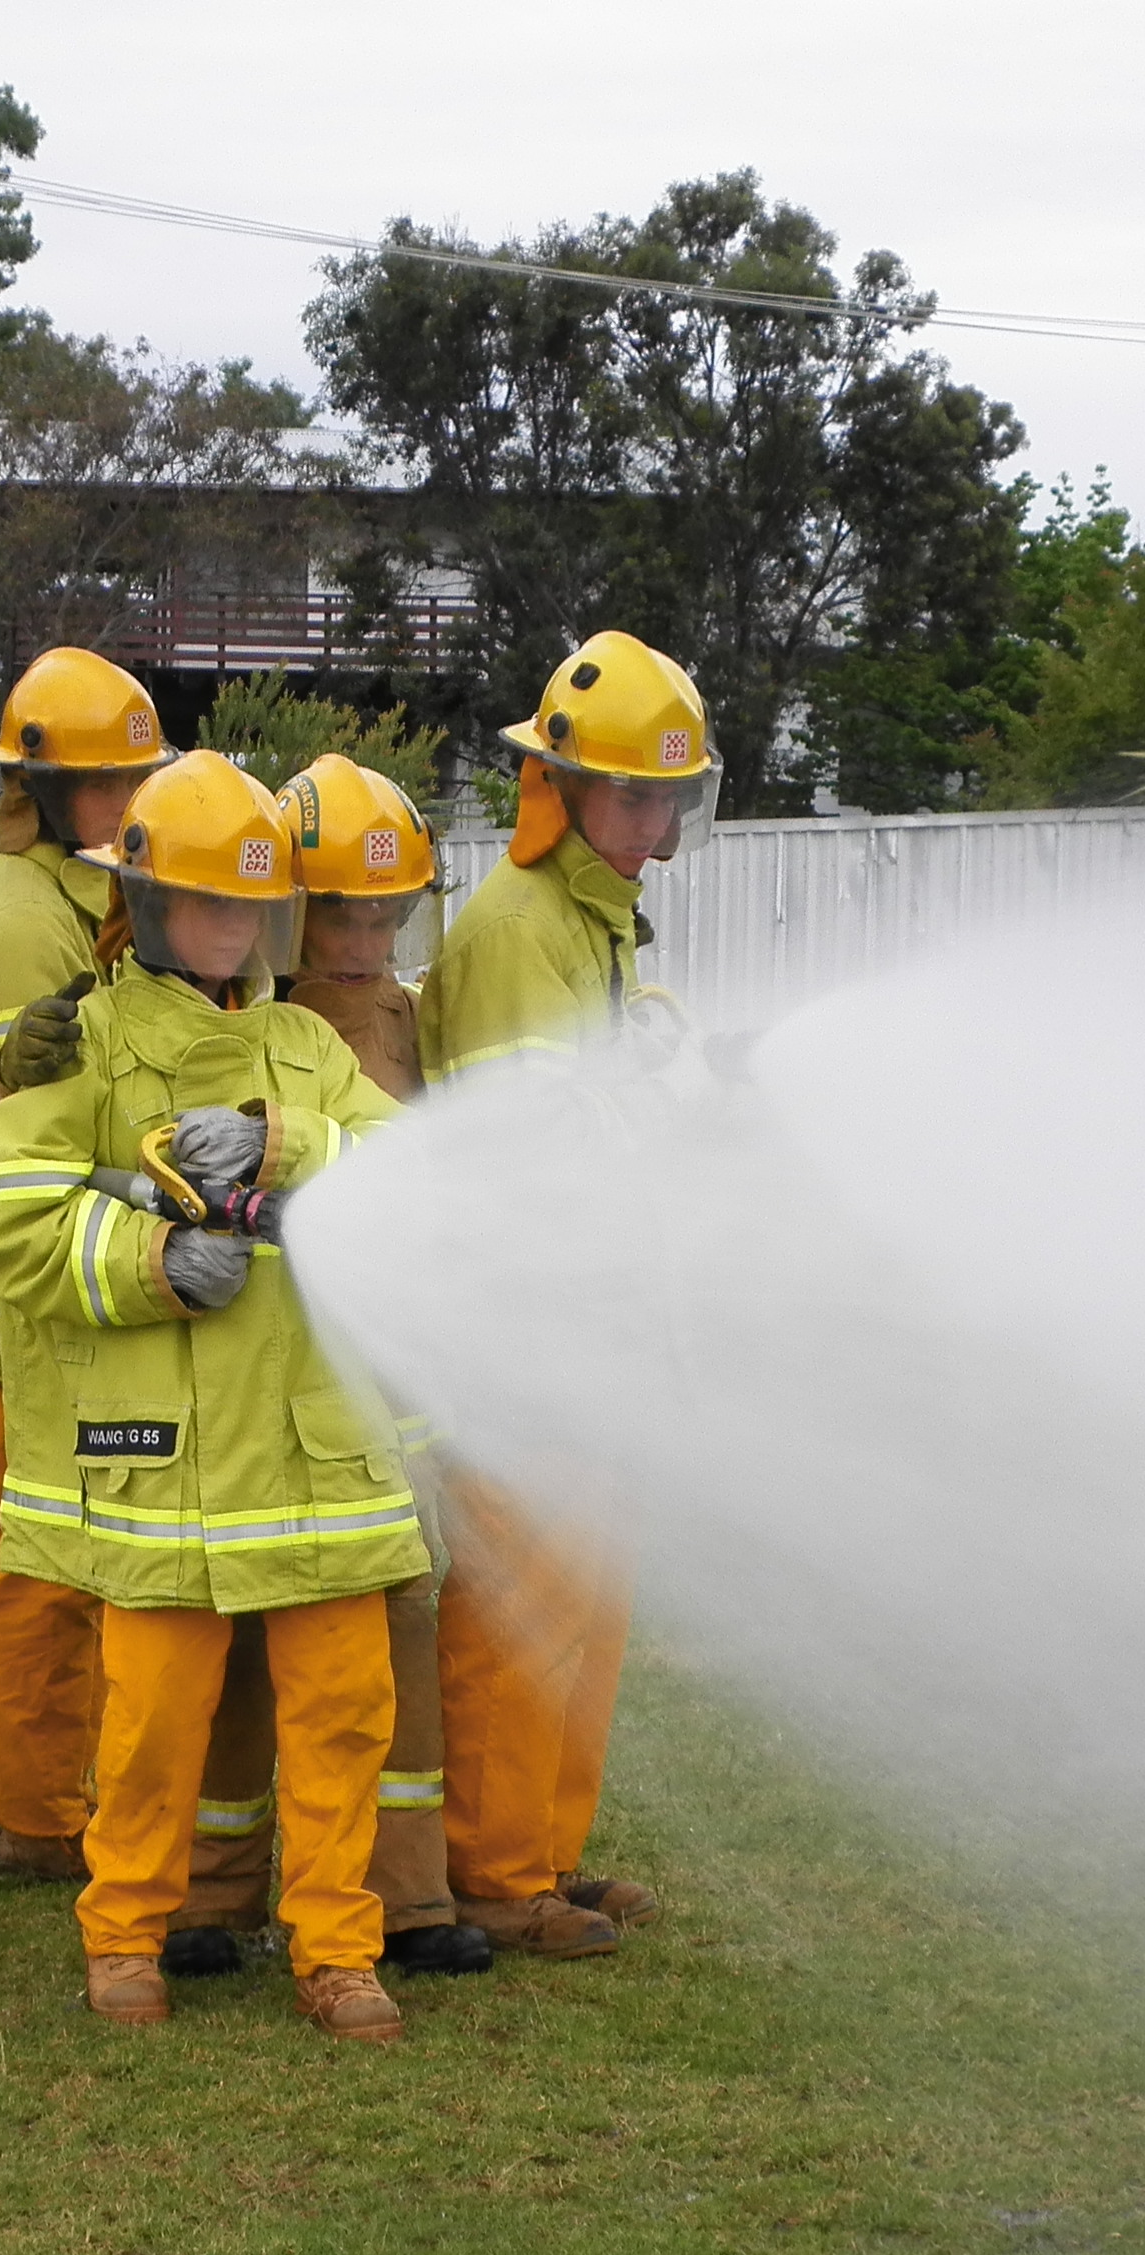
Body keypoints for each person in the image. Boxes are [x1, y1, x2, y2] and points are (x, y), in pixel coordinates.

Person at [0, 750, 425, 2041]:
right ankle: (124, 1942)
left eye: (255, 907)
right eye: (213, 904)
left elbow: (410, 1171)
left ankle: (339, 1952)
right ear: (147, 905)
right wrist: (150, 1262)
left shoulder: (307, 1047)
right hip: (159, 1475)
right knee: (152, 1730)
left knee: (342, 1720)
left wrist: (294, 1144)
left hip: (315, 1457)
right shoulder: (81, 1046)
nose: (236, 931)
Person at [412, 630, 725, 1956]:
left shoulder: (591, 923)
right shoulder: (515, 932)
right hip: (522, 1343)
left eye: (670, 798)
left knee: (586, 1612)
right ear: (559, 786)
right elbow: (517, 1148)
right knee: (519, 1615)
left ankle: (547, 1852)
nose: (654, 825)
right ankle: (492, 1874)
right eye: (635, 796)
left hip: (594, 1336)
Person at [165, 754, 490, 1985]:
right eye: (342, 909)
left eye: (386, 910)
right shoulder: (250, 1026)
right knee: (242, 1631)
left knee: (390, 1633)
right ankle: (209, 1897)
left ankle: (402, 1897)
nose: (364, 936)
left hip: (385, 1390)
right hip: (265, 1376)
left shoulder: (406, 1016)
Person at [0, 648, 169, 1884]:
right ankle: (31, 1818)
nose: (134, 803)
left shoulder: (78, 897)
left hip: (67, 1283)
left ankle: (56, 1799)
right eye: (113, 781)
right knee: (34, 1566)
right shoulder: (23, 923)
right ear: (45, 789)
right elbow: (42, 1124)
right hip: (28, 1299)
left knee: (72, 1555)